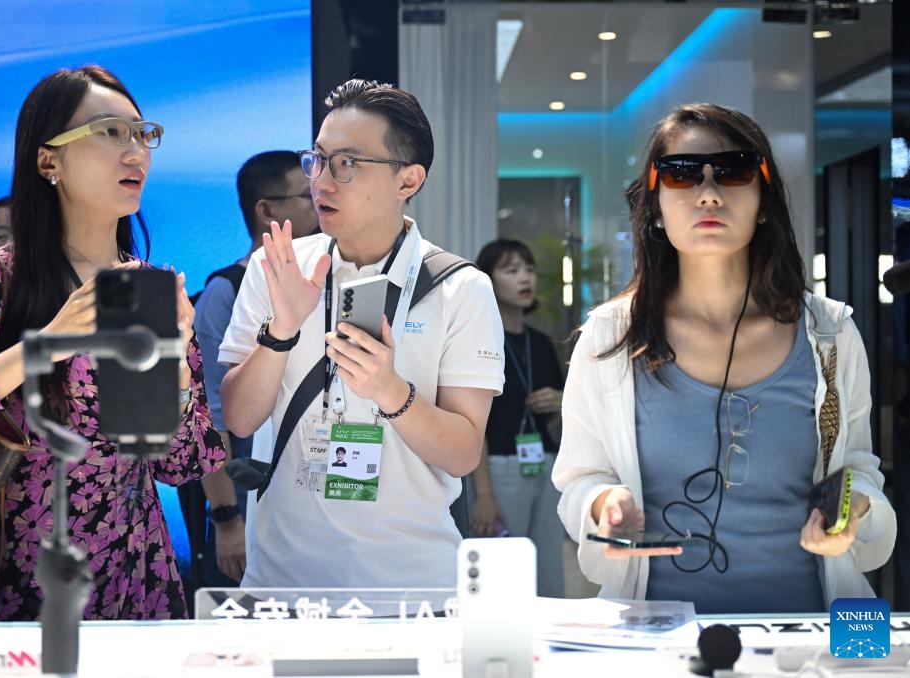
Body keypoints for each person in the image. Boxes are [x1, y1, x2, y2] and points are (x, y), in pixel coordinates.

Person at [0, 65, 226, 620]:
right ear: (48, 160)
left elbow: (180, 462)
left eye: (143, 133)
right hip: (14, 583)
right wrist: (43, 346)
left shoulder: (152, 288)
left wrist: (182, 374)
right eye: (109, 132)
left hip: (136, 580)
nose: (134, 151)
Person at [553, 103, 895, 613]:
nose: (708, 193)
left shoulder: (829, 331)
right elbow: (579, 481)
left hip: (808, 633)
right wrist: (604, 504)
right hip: (656, 638)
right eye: (682, 174)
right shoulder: (610, 338)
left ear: (762, 197)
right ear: (655, 203)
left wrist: (856, 507)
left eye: (732, 171)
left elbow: (858, 470)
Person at [218, 78, 505, 589]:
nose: (323, 181)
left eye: (347, 164)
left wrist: (390, 391)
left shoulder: (463, 288)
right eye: (319, 159)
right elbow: (240, 419)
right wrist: (281, 331)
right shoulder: (277, 266)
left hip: (413, 587)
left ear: (407, 180)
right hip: (283, 586)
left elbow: (462, 453)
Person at [189, 150, 318, 586]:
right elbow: (209, 419)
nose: (320, 201)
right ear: (266, 210)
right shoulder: (224, 293)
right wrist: (226, 520)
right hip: (246, 498)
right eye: (306, 194)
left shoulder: (330, 280)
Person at [470, 238, 565, 598]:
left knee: (549, 570)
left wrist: (560, 402)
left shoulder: (540, 342)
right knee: (504, 576)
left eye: (529, 269)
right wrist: (483, 494)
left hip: (546, 463)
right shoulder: (480, 340)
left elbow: (564, 417)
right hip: (499, 468)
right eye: (511, 270)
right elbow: (473, 423)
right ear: (487, 280)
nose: (525, 278)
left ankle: (552, 643)